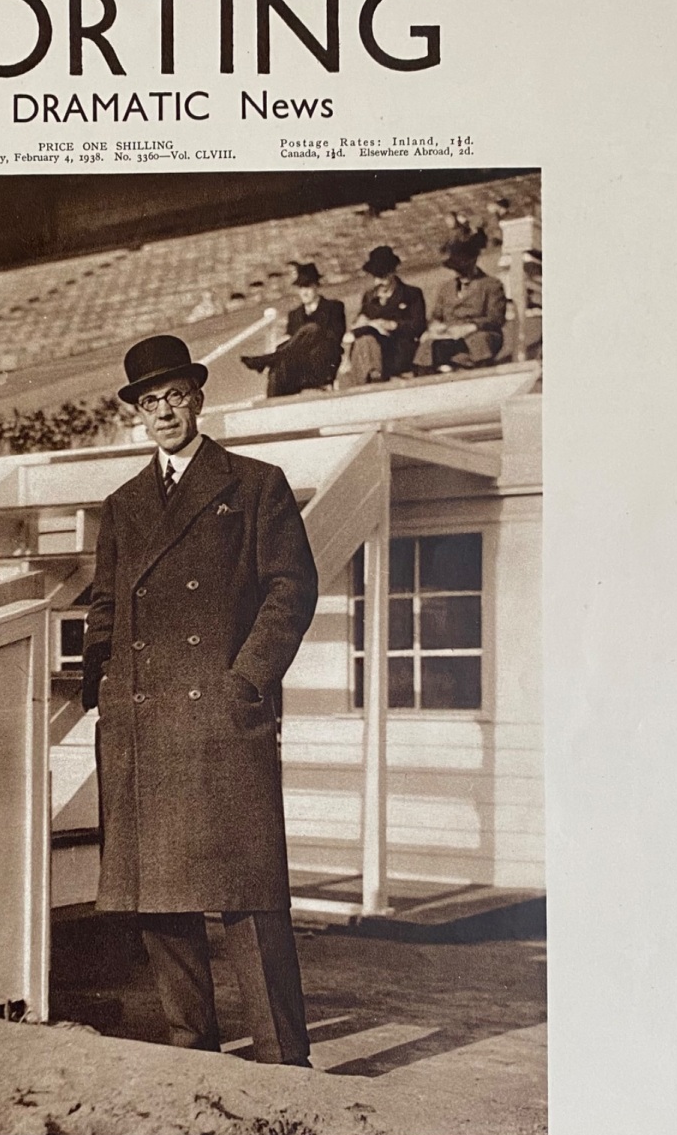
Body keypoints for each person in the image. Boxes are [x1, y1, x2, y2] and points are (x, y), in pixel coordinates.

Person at [82, 335, 318, 1066]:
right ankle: (195, 1052)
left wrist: (246, 679)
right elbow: (104, 607)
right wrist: (105, 688)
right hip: (145, 722)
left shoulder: (254, 484)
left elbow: (291, 587)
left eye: (175, 396)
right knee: (161, 898)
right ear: (138, 415)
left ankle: (286, 1059)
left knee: (249, 895)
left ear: (199, 400)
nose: (164, 412)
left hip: (220, 715)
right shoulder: (122, 505)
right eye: (150, 402)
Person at [241, 261, 345, 397]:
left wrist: (311, 337)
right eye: (301, 288)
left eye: (307, 287)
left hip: (322, 360)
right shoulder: (295, 314)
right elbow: (291, 341)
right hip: (299, 365)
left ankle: (267, 359)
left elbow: (335, 337)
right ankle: (272, 407)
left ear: (316, 286)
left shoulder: (334, 307)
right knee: (278, 366)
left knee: (312, 329)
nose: (304, 292)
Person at [413, 229, 507, 373]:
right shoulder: (446, 288)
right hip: (448, 334)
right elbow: (436, 316)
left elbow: (496, 318)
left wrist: (471, 327)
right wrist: (435, 326)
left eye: (464, 269)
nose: (460, 274)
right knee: (426, 345)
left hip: (478, 332)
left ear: (474, 261)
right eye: (457, 270)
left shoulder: (491, 285)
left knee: (480, 342)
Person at [346, 246, 427, 384]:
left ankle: (370, 378)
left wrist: (392, 325)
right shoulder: (370, 296)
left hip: (398, 348)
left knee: (366, 344)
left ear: (392, 273)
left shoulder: (411, 294)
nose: (378, 282)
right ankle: (369, 377)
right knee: (365, 341)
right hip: (372, 347)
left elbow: (418, 325)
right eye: (375, 277)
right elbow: (361, 318)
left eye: (382, 277)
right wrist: (360, 322)